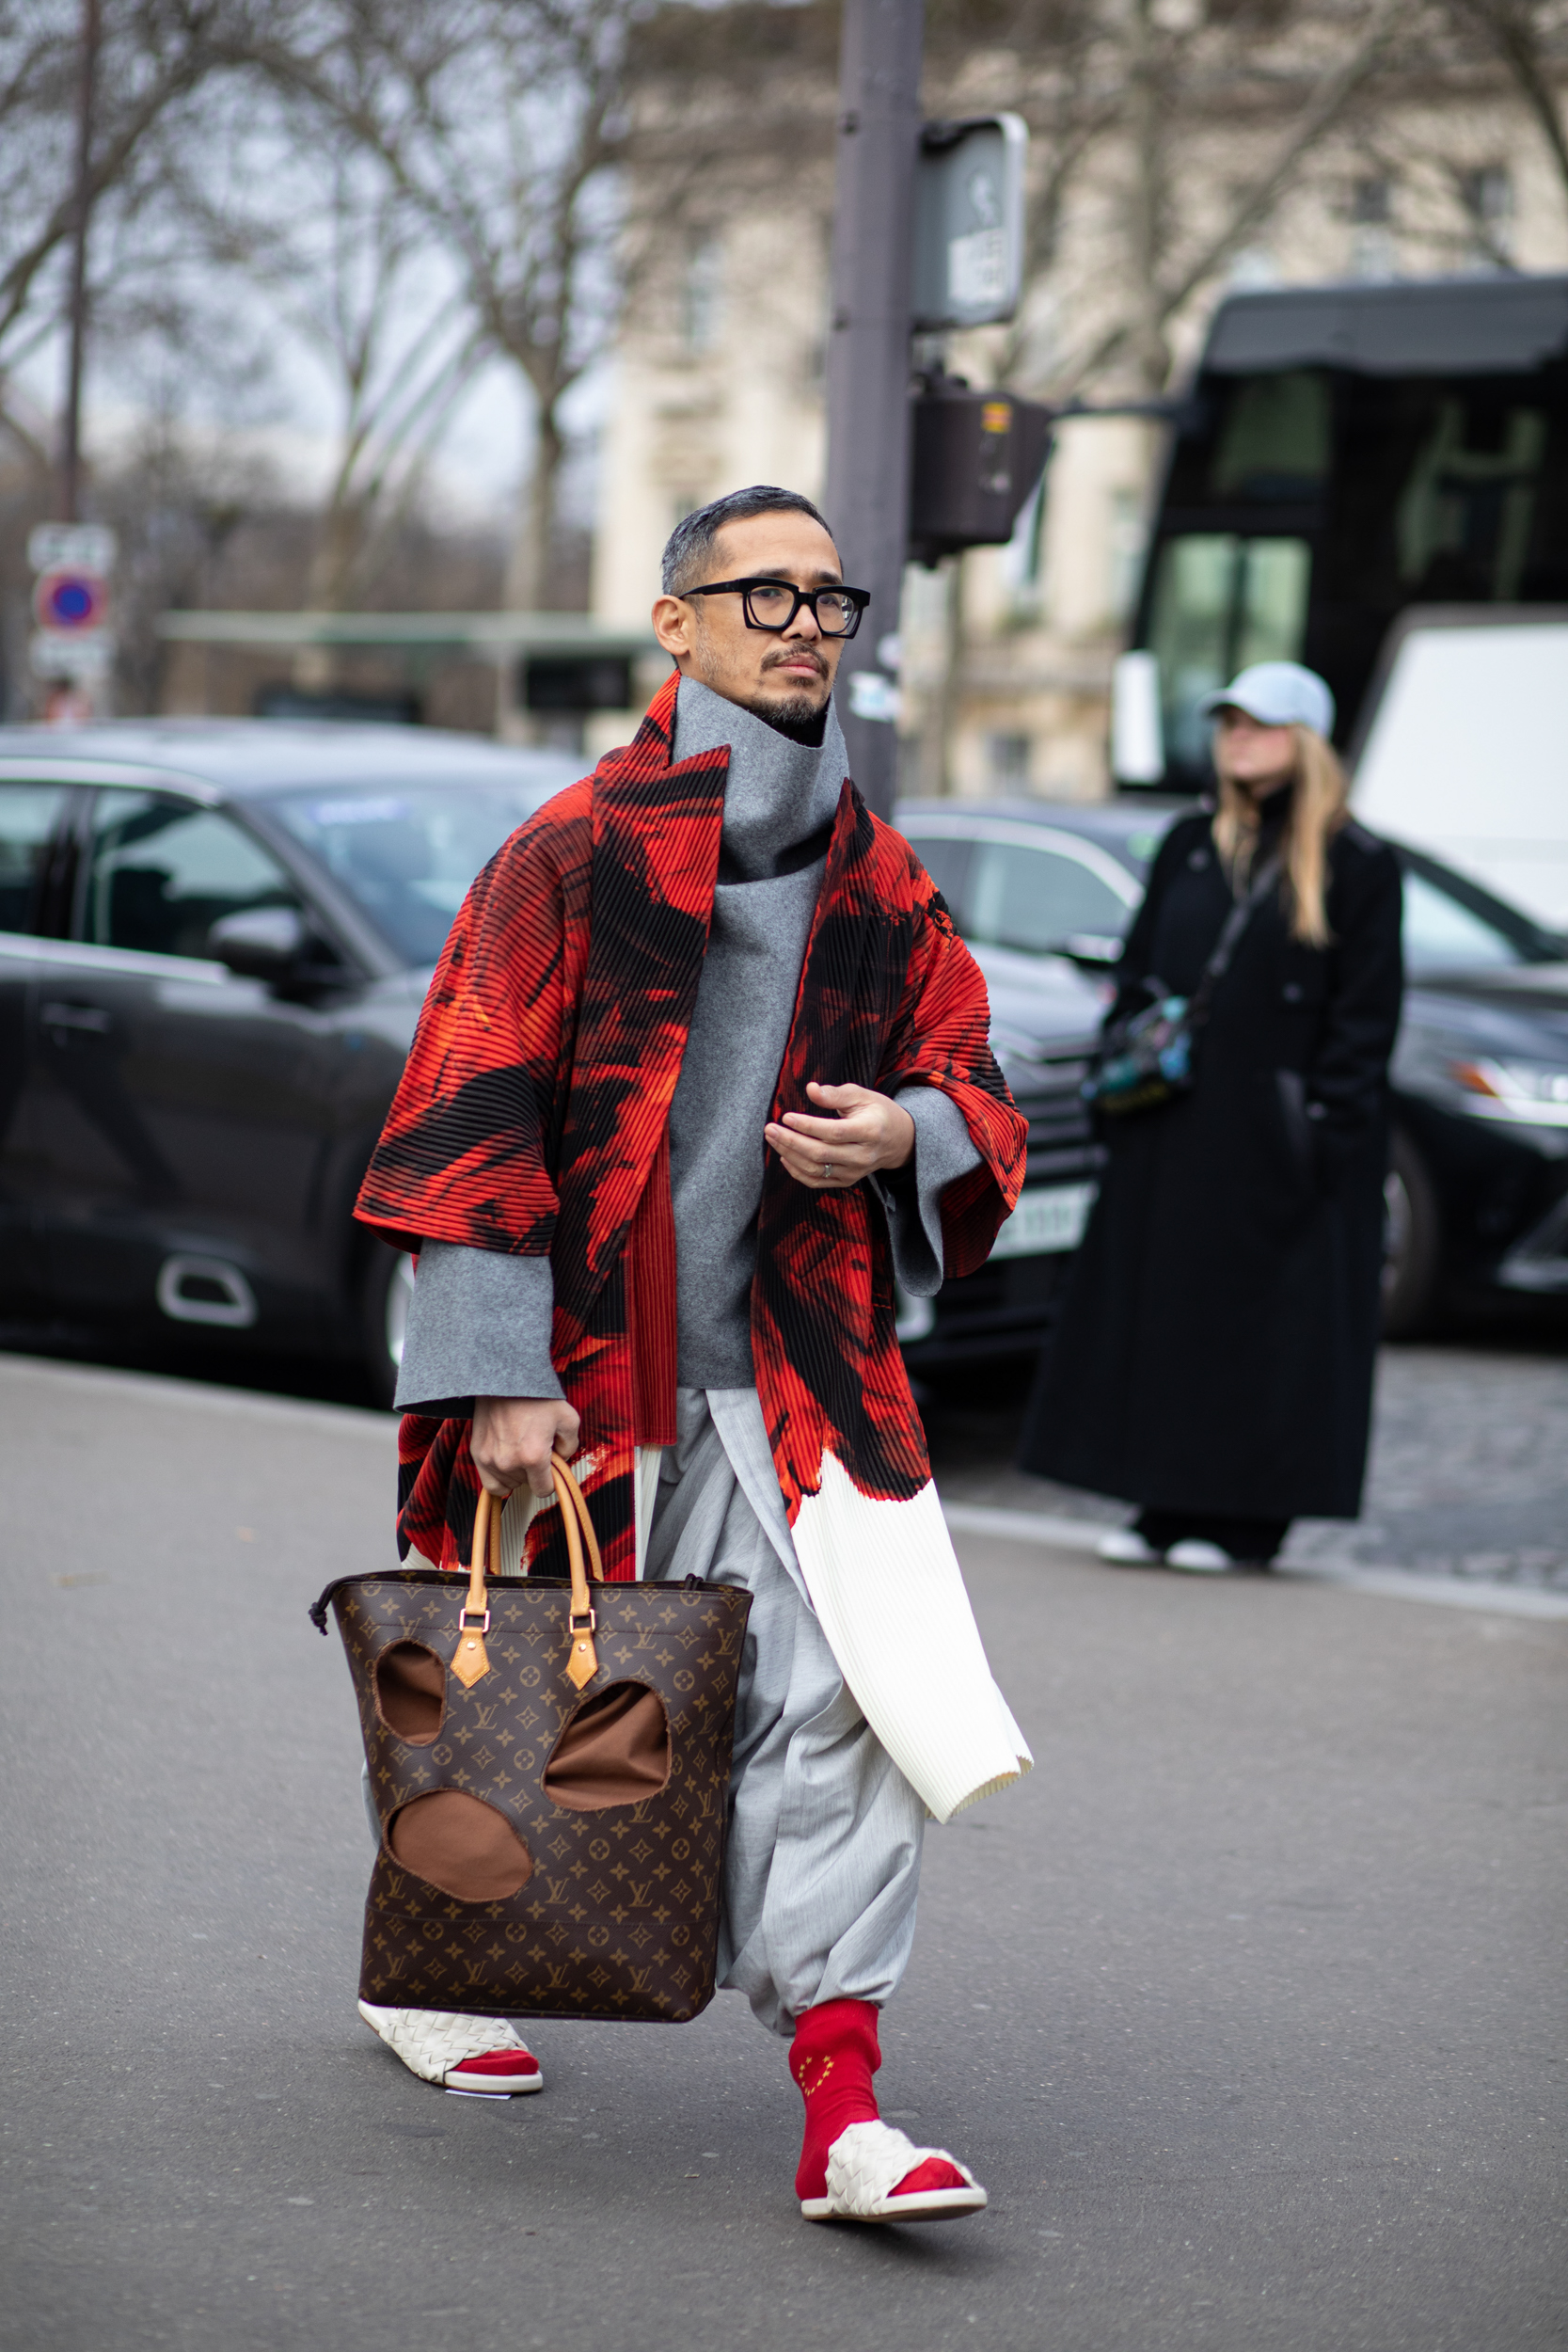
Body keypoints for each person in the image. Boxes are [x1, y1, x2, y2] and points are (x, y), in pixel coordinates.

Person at [350, 485, 1032, 2224]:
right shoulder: (570, 849)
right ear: (678, 626)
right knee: (535, 1704)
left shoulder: (877, 872)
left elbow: (976, 1072)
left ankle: (844, 2106)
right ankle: (431, 1964)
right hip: (578, 1371)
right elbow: (465, 1102)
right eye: (766, 593)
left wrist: (909, 1135)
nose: (807, 622)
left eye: (831, 596)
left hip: (801, 1386)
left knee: (858, 1718)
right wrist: (497, 1365)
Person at [1018, 660, 1402, 1571]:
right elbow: (1139, 966)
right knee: (1167, 1318)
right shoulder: (1191, 840)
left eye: (1260, 725)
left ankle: (1244, 1520)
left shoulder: (1354, 861)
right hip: (1175, 1125)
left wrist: (1317, 1130)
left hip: (1277, 1137)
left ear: (1303, 741)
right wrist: (1125, 1044)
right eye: (1228, 721)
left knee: (1266, 1331)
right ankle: (1160, 1502)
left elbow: (1364, 1016)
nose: (1237, 738)